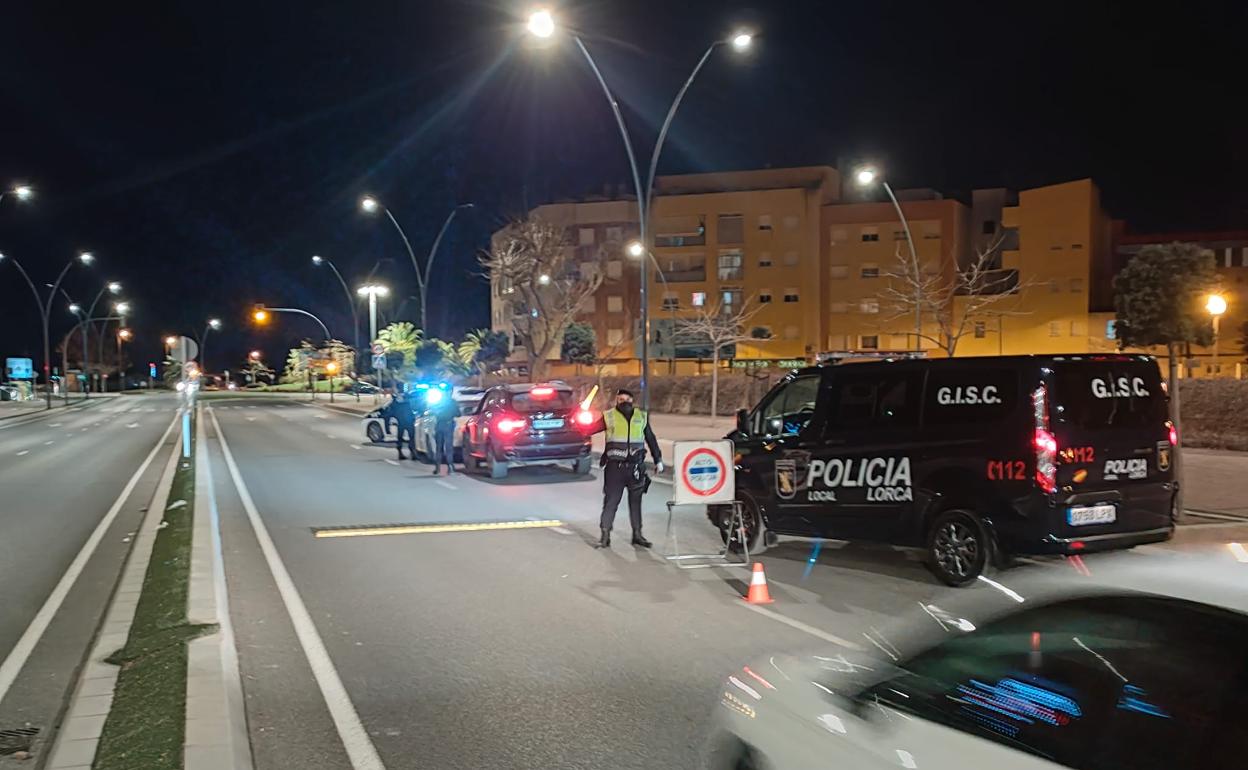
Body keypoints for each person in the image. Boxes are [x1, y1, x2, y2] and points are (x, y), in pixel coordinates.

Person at [590, 388, 664, 549]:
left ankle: (637, 535)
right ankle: (605, 535)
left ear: (632, 400)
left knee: (636, 502)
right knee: (611, 501)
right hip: (614, 468)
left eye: (626, 399)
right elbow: (590, 429)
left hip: (636, 467)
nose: (623, 402)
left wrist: (658, 459)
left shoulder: (641, 417)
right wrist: (579, 423)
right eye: (620, 399)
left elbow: (650, 438)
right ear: (616, 401)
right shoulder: (609, 416)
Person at [431, 390, 457, 475]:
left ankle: (437, 467)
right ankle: (450, 467)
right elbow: (458, 413)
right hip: (448, 425)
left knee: (439, 447)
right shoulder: (452, 402)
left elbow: (433, 411)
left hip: (439, 425)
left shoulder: (438, 402)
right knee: (448, 447)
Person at [391, 387, 416, 460]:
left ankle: (402, 453)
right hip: (408, 421)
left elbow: (393, 411)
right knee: (411, 438)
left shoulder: (396, 400)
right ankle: (412, 453)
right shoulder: (407, 398)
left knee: (400, 438)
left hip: (401, 421)